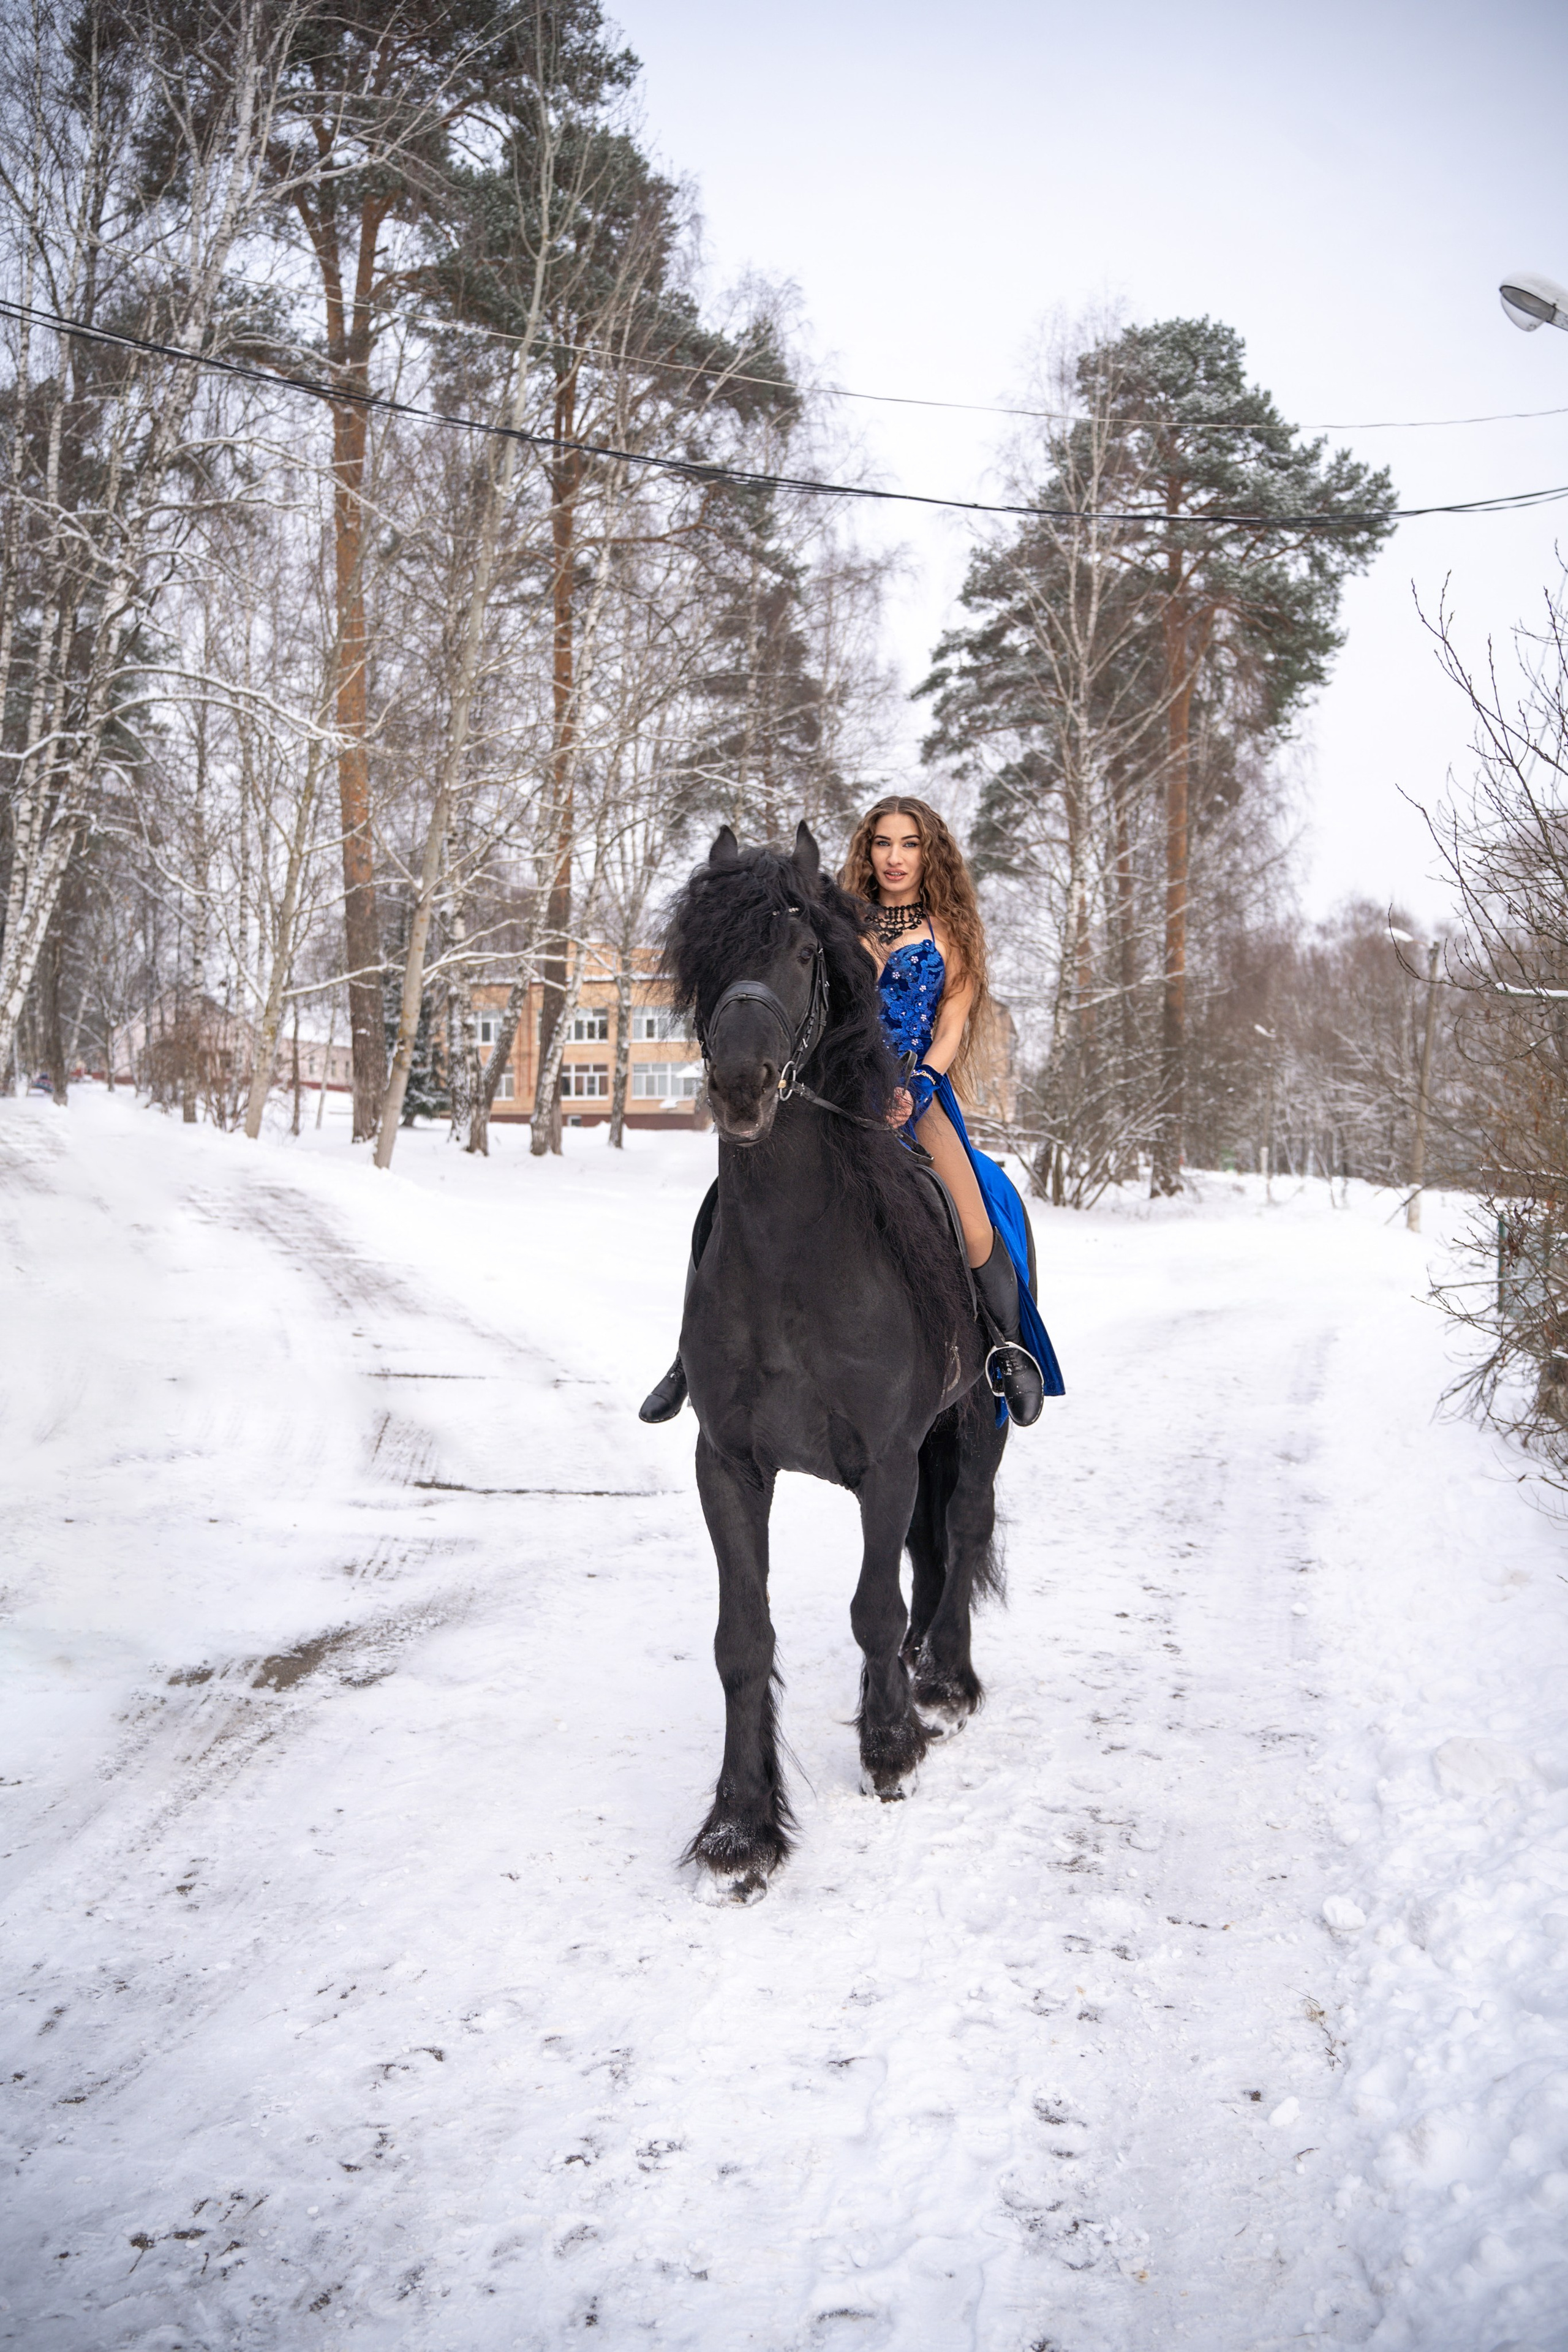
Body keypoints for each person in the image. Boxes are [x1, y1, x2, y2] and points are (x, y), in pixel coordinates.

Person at [638, 797, 1061, 1427]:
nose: (894, 857)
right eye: (882, 843)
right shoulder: (841, 922)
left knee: (972, 1222)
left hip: (911, 1093)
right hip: (833, 1087)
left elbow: (950, 1027)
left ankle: (1005, 1351)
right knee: (727, 1203)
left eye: (909, 844)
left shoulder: (951, 935)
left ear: (929, 853)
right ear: (866, 850)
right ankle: (688, 1357)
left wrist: (916, 1088)